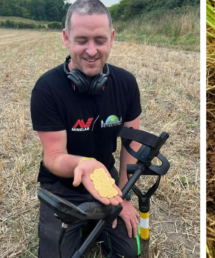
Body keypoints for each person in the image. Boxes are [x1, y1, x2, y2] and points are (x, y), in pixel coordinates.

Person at [30, 0, 142, 257]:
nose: (91, 51)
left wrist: (123, 195)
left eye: (99, 40)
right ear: (66, 38)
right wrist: (83, 164)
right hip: (61, 187)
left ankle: (94, 217)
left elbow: (131, 145)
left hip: (105, 180)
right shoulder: (47, 89)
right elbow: (53, 157)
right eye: (81, 40)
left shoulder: (126, 84)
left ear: (112, 38)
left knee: (129, 253)